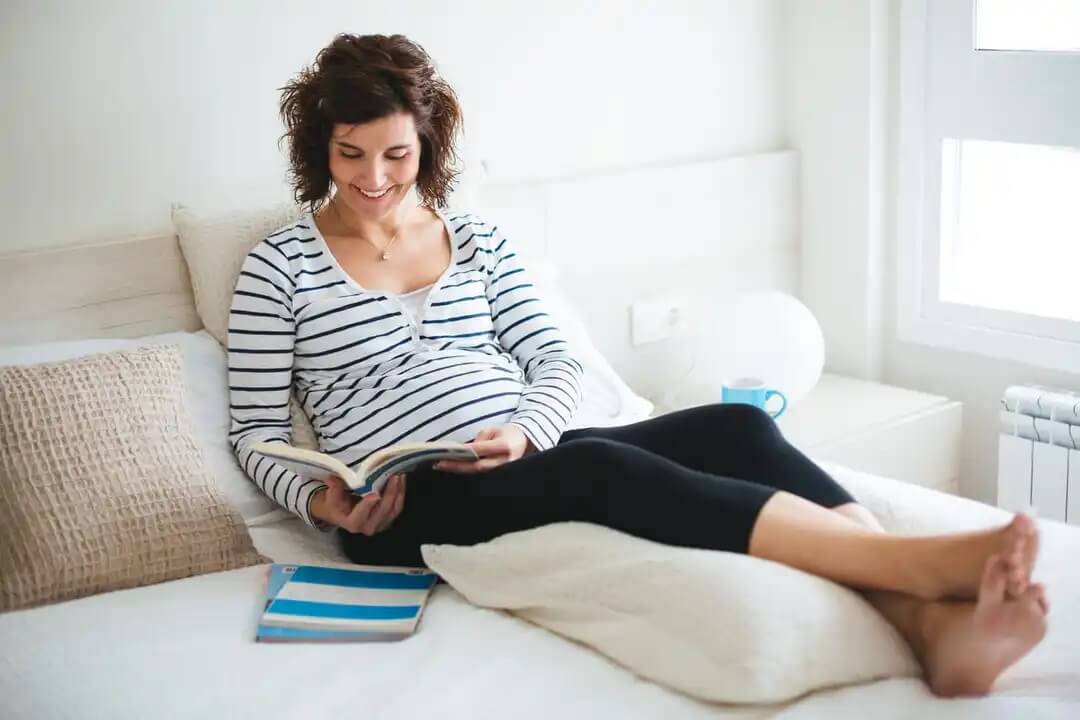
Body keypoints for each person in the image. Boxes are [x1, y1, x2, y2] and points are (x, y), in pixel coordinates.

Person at [227, 33, 1047, 697]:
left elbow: (552, 359)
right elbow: (256, 434)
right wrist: (327, 507)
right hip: (404, 505)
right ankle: (914, 567)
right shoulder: (279, 267)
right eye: (350, 155)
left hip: (523, 453)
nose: (374, 179)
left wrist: (525, 429)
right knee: (603, 464)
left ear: (427, 143)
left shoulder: (476, 239)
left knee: (737, 424)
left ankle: (928, 624)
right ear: (318, 149)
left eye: (396, 155)